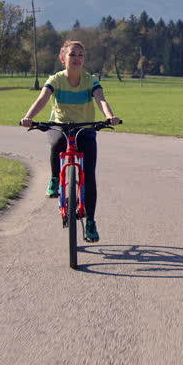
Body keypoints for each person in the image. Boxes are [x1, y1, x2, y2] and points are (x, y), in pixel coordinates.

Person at [19, 40, 120, 242]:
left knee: (89, 176)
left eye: (81, 55)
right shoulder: (56, 79)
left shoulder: (90, 80)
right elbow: (42, 99)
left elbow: (101, 99)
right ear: (63, 58)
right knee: (57, 142)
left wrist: (110, 116)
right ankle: (56, 178)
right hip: (61, 125)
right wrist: (28, 117)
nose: (77, 59)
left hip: (85, 127)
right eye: (73, 55)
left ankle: (90, 222)